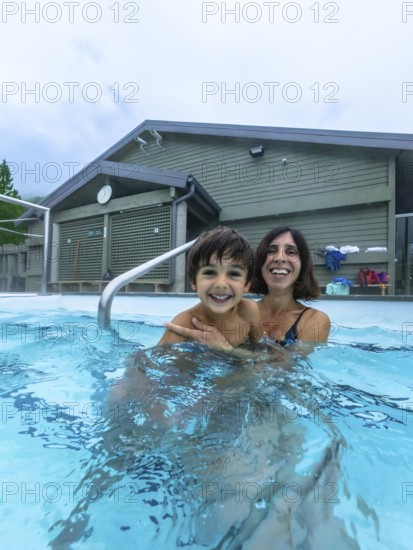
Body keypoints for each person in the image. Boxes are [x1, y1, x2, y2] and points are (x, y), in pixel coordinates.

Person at [165, 226, 330, 348]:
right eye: (271, 250)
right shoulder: (239, 308)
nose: (280, 258)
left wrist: (225, 348)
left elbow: (290, 372)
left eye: (291, 252)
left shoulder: (315, 321)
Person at [158, 226, 261, 350]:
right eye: (210, 272)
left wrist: (225, 349)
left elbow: (263, 355)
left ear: (246, 285)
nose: (221, 284)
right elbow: (149, 364)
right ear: (194, 282)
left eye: (234, 274)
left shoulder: (248, 311)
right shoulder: (184, 324)